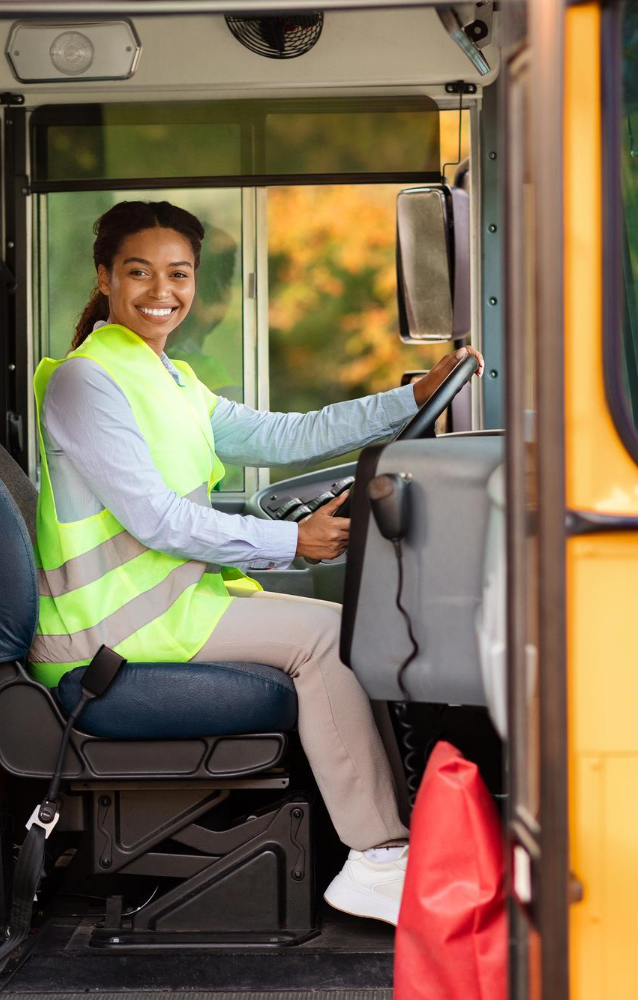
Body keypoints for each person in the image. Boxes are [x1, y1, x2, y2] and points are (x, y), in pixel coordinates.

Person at [31, 200, 484, 926]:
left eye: (178, 274)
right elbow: (157, 520)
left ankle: (384, 848)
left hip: (170, 611)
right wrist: (294, 544)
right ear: (106, 278)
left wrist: (413, 398)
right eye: (139, 272)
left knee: (346, 626)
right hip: (105, 634)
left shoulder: (170, 380)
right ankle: (375, 859)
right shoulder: (87, 382)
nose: (161, 291)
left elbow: (287, 434)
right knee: (329, 640)